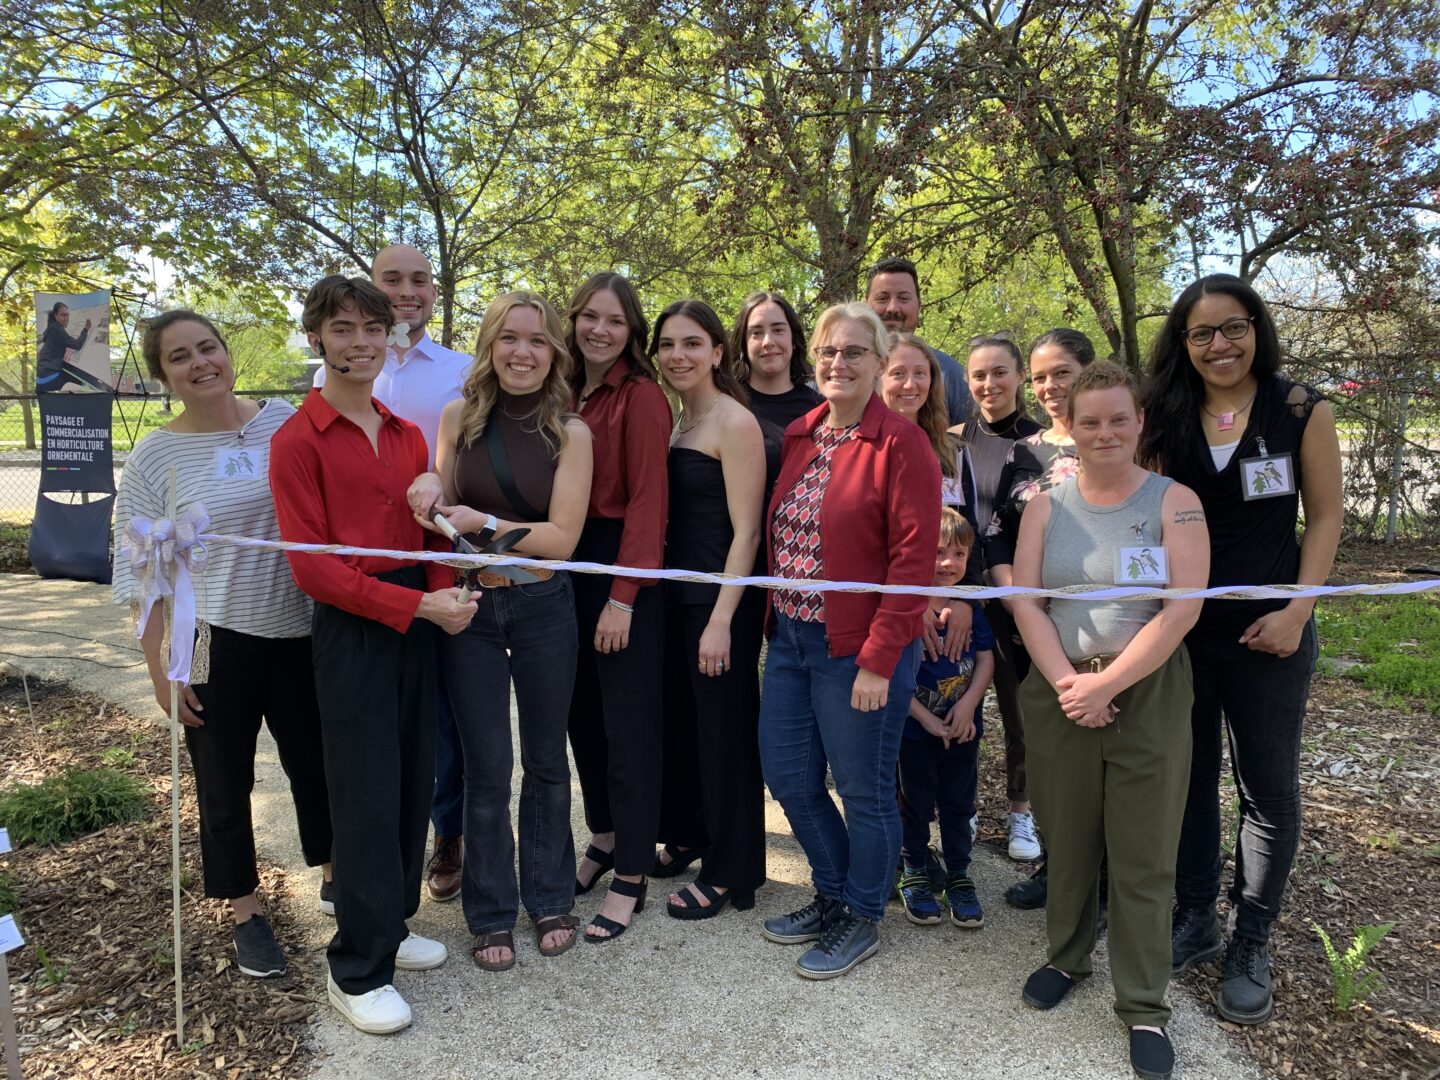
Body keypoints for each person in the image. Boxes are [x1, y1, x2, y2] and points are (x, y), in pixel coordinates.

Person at [270, 275, 475, 1034]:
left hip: (417, 621)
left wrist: (445, 594)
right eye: (342, 328)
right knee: (362, 794)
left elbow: (427, 537)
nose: (359, 342)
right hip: (355, 625)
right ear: (316, 338)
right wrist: (418, 603)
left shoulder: (406, 435)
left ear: (391, 336)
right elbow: (313, 568)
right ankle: (354, 967)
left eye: (372, 328)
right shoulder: (297, 440)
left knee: (410, 780)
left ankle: (389, 924)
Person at [1141, 274, 1341, 1026]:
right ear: (1183, 343)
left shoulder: (1299, 409)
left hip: (1271, 634)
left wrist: (1297, 609)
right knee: (1189, 780)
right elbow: (1149, 516)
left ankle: (1251, 939)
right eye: (1202, 333)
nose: (1219, 345)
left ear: (1257, 329)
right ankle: (1196, 918)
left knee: (1267, 790)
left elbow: (1322, 519)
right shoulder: (1165, 412)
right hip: (1185, 633)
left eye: (1234, 328)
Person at [112, 310, 332, 981]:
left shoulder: (284, 421)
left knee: (319, 765)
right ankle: (246, 911)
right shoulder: (155, 456)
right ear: (163, 375)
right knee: (221, 780)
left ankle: (335, 875)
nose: (200, 363)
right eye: (180, 357)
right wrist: (160, 672)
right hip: (208, 639)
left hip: (300, 629)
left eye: (208, 347)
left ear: (228, 352)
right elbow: (143, 574)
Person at [1010, 360, 1209, 1080]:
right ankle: (1066, 958)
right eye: (1089, 421)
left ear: (1139, 422)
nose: (1104, 433)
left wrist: (1110, 684)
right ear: (1071, 424)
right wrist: (1068, 682)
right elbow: (1027, 600)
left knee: (1143, 852)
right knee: (1066, 838)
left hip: (1145, 692)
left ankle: (1145, 1005)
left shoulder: (1174, 502)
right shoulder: (1044, 505)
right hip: (1060, 689)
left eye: (1118, 419)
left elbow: (1183, 606)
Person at [758, 302, 940, 980]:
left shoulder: (902, 444)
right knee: (788, 777)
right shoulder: (802, 434)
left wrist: (879, 659)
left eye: (855, 352)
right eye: (830, 351)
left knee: (862, 790)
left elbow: (913, 563)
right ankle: (833, 891)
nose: (839, 363)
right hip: (792, 641)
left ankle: (863, 914)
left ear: (880, 363)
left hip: (859, 650)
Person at [412, 292, 594, 969]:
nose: (523, 352)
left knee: (547, 762)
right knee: (487, 767)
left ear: (555, 353)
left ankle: (549, 896)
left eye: (538, 341)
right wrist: (431, 494)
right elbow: (439, 507)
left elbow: (562, 539)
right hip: (472, 609)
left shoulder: (571, 433)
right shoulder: (458, 416)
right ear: (489, 345)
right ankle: (488, 911)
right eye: (509, 338)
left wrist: (478, 523)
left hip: (545, 606)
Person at [318, 243, 473, 905]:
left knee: (442, 717)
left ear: (434, 290)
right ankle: (368, 878)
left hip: (438, 564)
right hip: (357, 582)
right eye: (393, 279)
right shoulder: (340, 370)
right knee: (369, 735)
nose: (408, 290)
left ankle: (450, 833)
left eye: (419, 279)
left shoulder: (464, 370)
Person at [649, 299, 768, 920]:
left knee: (724, 732)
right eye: (668, 345)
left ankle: (733, 868)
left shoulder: (733, 422)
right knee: (687, 726)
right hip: (677, 599)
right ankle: (695, 834)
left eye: (693, 344)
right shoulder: (677, 422)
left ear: (719, 352)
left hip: (722, 602)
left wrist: (721, 621)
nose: (679, 356)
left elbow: (747, 533)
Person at [564, 272, 672, 943]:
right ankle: (602, 836)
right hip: (564, 566)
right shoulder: (558, 388)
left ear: (632, 331)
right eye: (589, 317)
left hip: (620, 569)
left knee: (628, 728)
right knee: (580, 719)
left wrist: (624, 597)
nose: (599, 331)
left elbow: (647, 503)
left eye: (615, 321)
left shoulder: (640, 397)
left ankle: (632, 871)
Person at [982, 328, 1097, 878]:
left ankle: (1097, 880)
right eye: (1044, 376)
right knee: (1044, 739)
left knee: (1095, 747)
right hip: (1027, 618)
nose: (1051, 387)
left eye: (1063, 374)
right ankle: (1056, 870)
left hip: (1100, 623)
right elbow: (997, 529)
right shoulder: (1026, 453)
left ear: (1089, 374)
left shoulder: (1117, 440)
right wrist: (1018, 597)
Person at [957, 336, 1043, 864]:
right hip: (960, 590)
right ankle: (958, 807)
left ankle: (1021, 810)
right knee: (953, 698)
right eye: (979, 375)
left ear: (1019, 378)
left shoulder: (1041, 443)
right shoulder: (951, 440)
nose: (989, 385)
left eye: (1000, 373)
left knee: (1019, 712)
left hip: (1016, 594)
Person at [895, 509, 994, 930]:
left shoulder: (970, 610)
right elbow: (895, 674)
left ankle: (959, 875)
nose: (947, 563)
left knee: (958, 805)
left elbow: (986, 659)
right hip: (915, 732)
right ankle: (914, 870)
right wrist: (924, 719)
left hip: (963, 730)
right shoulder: (905, 610)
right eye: (937, 552)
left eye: (958, 553)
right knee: (914, 806)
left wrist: (970, 704)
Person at [726, 291, 822, 496]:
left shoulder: (821, 410)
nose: (768, 341)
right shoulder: (725, 405)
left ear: (793, 340)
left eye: (778, 330)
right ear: (743, 342)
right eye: (756, 332)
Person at [864, 258, 974, 424]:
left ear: (919, 306)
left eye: (903, 298)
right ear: (866, 306)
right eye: (882, 298)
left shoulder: (951, 373)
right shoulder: (844, 370)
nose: (893, 308)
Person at [36, 301, 108, 391]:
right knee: (83, 382)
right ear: (56, 316)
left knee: (74, 376)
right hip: (48, 378)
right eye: (62, 315)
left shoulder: (52, 327)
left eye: (67, 315)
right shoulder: (58, 329)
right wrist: (86, 329)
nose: (66, 318)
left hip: (42, 374)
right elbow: (77, 345)